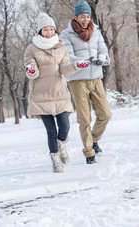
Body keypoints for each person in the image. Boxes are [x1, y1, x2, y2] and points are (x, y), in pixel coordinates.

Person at [24, 12, 90, 173]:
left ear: (55, 30)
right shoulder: (32, 48)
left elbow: (64, 68)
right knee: (51, 131)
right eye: (45, 30)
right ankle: (55, 159)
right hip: (41, 96)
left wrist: (76, 66)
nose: (49, 32)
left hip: (60, 94)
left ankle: (61, 145)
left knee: (65, 127)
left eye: (51, 29)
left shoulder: (61, 46)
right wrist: (31, 70)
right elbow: (31, 70)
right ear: (40, 31)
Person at [60, 1, 112, 164]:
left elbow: (103, 50)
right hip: (77, 80)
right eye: (83, 16)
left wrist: (103, 59)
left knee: (105, 114)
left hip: (95, 78)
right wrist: (88, 61)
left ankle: (94, 140)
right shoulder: (66, 35)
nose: (86, 20)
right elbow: (68, 56)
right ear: (76, 17)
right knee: (84, 118)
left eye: (88, 16)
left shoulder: (95, 31)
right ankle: (89, 152)